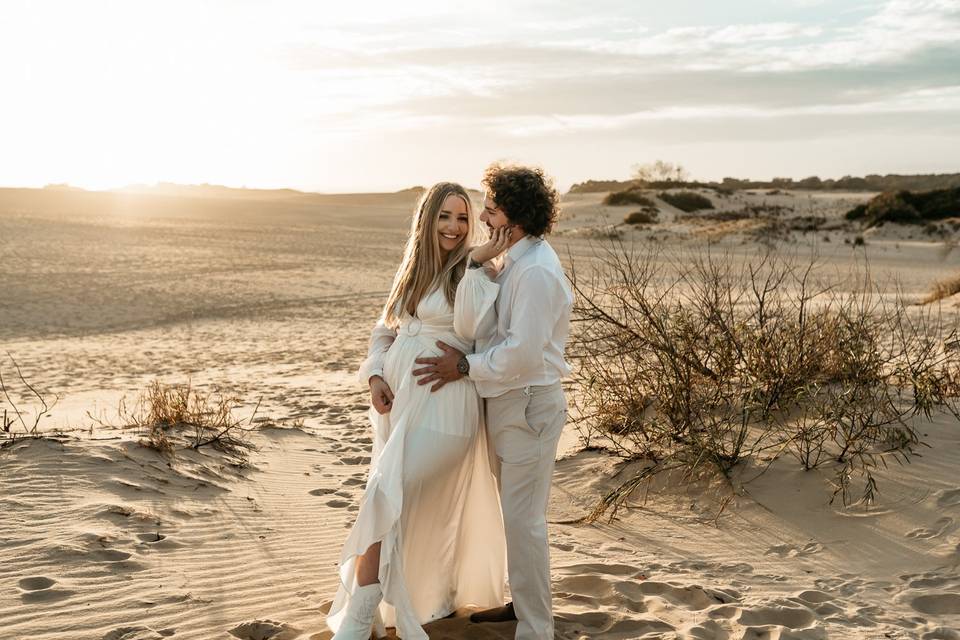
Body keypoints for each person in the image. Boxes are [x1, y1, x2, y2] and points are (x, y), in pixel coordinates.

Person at [327, 182, 509, 640]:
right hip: (400, 408)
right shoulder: (413, 269)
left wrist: (473, 262)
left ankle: (356, 617)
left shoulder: (478, 272)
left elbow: (473, 331)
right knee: (388, 502)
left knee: (385, 498)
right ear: (427, 220)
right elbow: (384, 329)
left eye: (463, 218)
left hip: (446, 410)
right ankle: (372, 612)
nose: (454, 227)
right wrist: (374, 376)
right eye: (445, 216)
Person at [413, 164, 573, 640]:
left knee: (524, 522)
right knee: (514, 515)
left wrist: (463, 367)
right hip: (505, 403)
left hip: (527, 404)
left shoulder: (538, 272)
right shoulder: (514, 261)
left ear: (516, 216)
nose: (483, 216)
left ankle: (536, 629)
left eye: (491, 208)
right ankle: (521, 607)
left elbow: (521, 355)